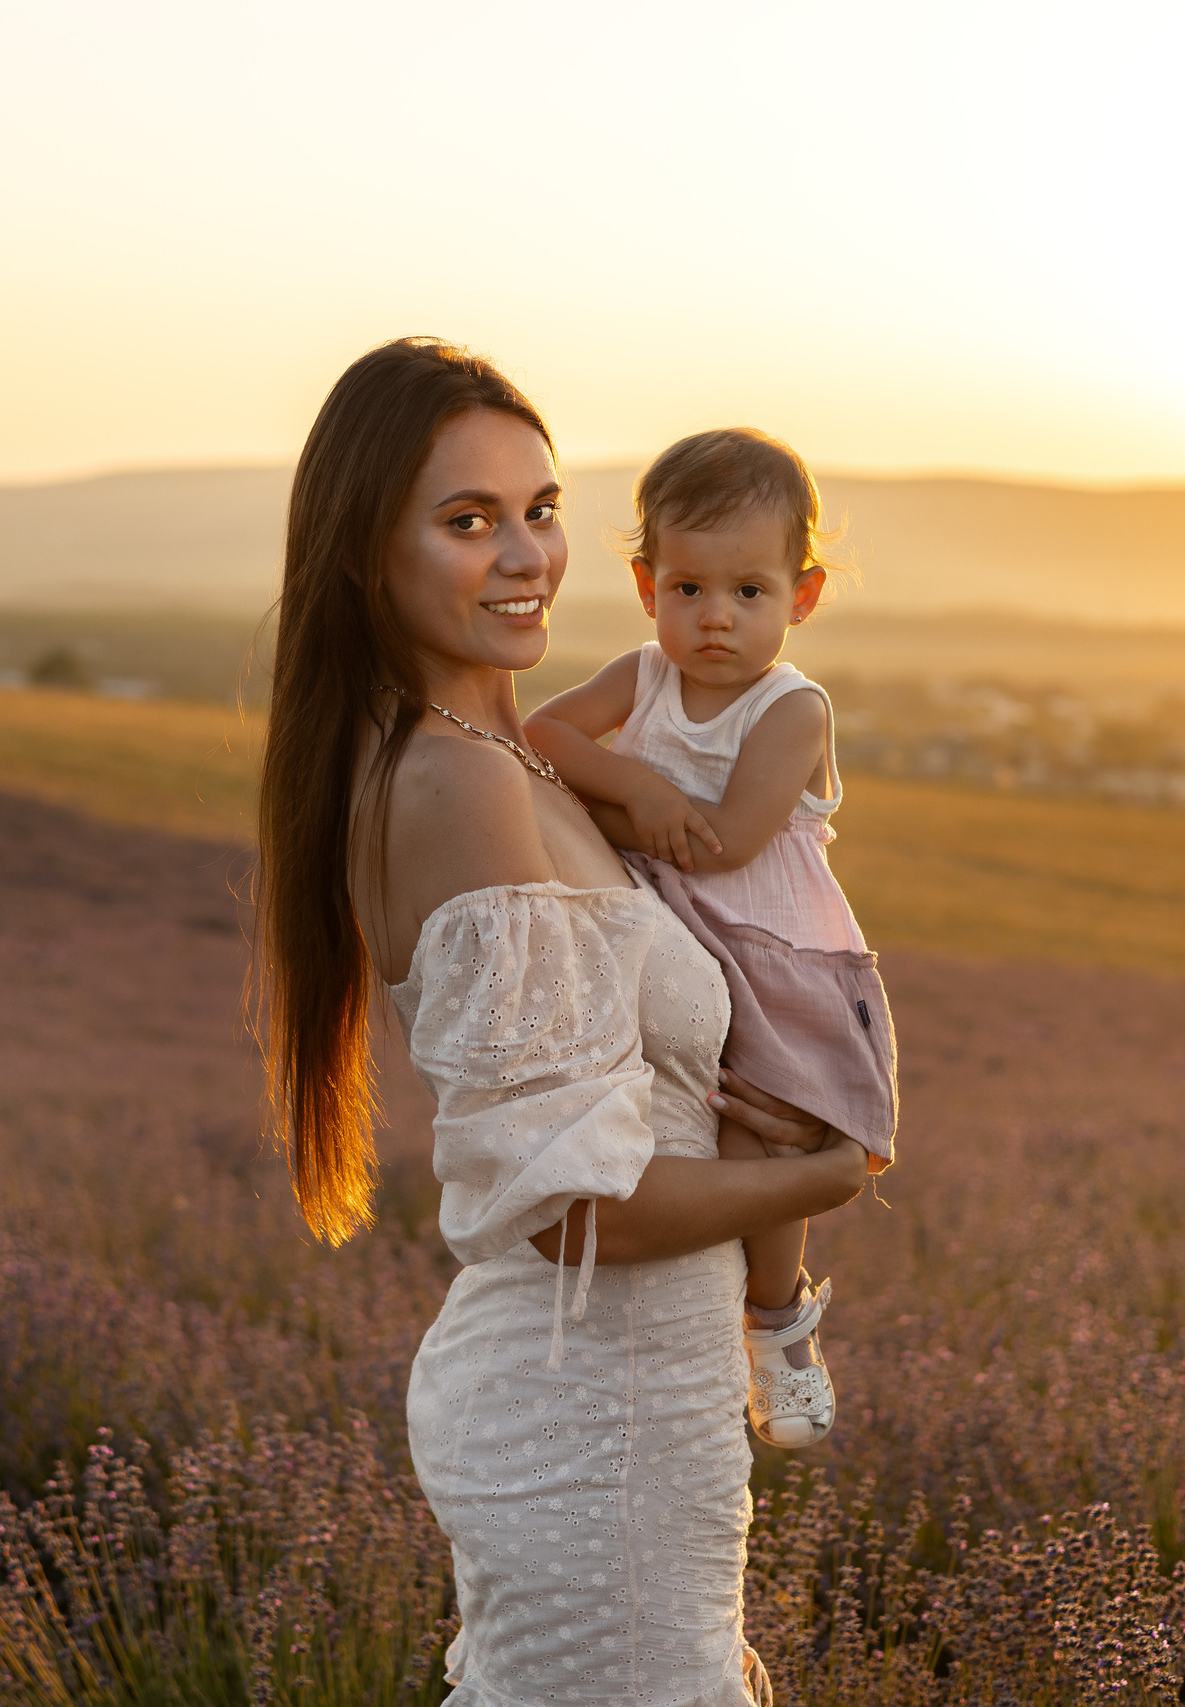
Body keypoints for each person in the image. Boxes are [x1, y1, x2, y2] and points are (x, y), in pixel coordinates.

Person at [257, 338, 870, 1706]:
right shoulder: (457, 785)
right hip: (593, 1417)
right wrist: (822, 1174)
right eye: (469, 520)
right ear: (371, 554)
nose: (527, 552)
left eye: (539, 508)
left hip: (643, 1404)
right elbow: (571, 1206)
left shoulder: (518, 762)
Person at [526, 429, 899, 1451]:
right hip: (667, 924)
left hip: (773, 952)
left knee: (763, 1126)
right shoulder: (642, 676)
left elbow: (727, 845)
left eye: (748, 592)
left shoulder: (791, 709)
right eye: (688, 589)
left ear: (802, 596)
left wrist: (600, 810)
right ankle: (666, 1321)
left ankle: (776, 1324)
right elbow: (538, 739)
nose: (715, 619)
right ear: (647, 587)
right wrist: (638, 786)